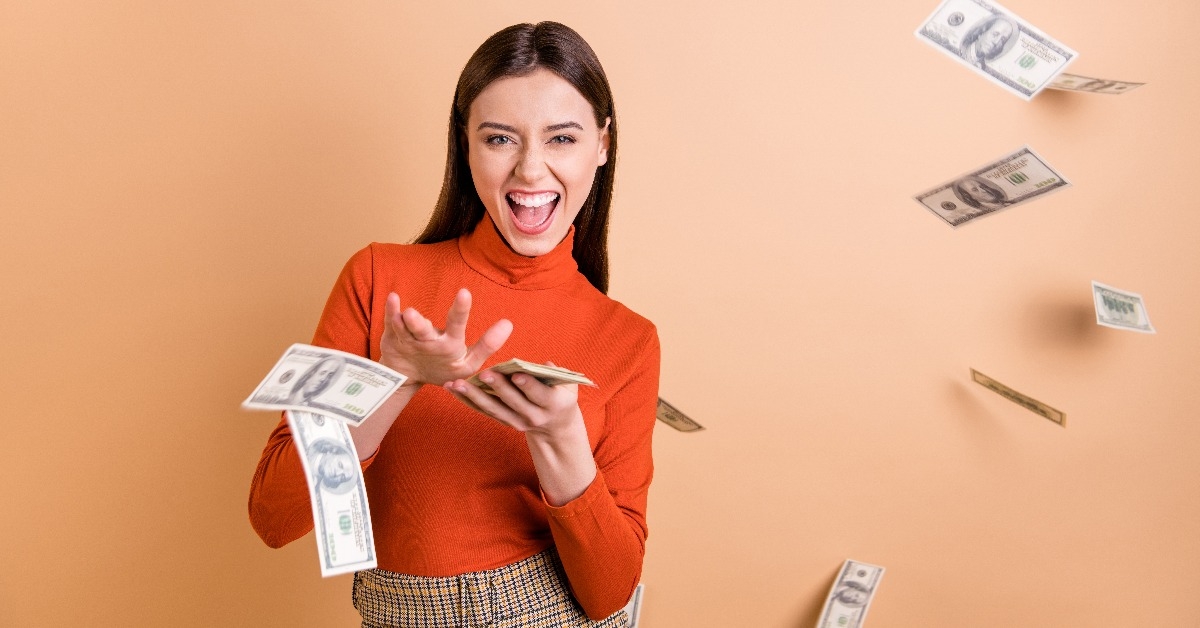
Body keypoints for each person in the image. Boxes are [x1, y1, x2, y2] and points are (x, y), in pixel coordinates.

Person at [249, 21, 659, 628]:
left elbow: (609, 594)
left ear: (602, 143)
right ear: (465, 145)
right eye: (500, 139)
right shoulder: (378, 279)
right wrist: (392, 381)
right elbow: (274, 517)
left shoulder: (627, 339)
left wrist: (560, 441)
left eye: (562, 138)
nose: (531, 170)